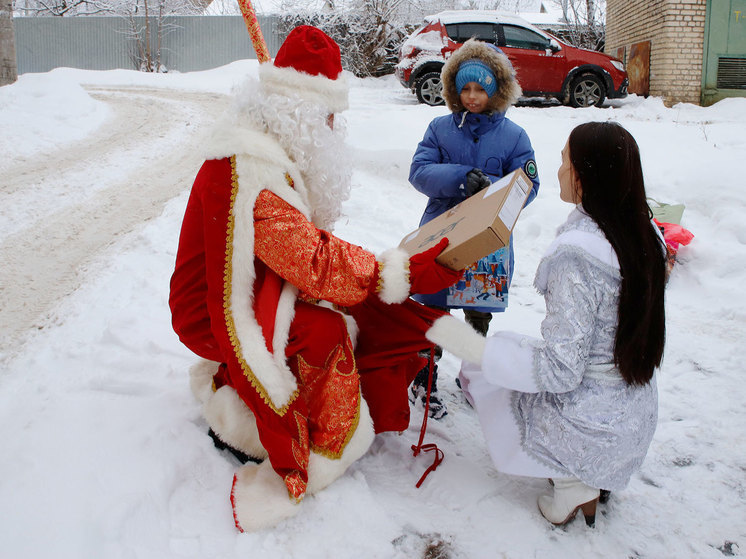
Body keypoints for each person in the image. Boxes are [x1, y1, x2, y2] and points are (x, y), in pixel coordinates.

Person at [168, 25, 461, 532]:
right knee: (325, 329)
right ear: (298, 112)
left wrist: (379, 274)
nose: (331, 128)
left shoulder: (268, 146)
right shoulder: (252, 163)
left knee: (346, 305)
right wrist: (397, 271)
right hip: (210, 311)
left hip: (256, 283)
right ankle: (318, 444)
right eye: (327, 117)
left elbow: (302, 251)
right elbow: (310, 260)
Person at [427, 121, 667, 527]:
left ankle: (572, 477)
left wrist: (477, 350)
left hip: (590, 428)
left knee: (485, 370)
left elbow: (560, 369)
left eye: (563, 160)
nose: (557, 170)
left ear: (585, 173)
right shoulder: (643, 234)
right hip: (633, 419)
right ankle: (592, 474)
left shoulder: (577, 255)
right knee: (509, 349)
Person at [408, 39, 540, 418]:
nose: (472, 96)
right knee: (434, 306)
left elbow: (528, 185)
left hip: (487, 240)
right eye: (464, 88)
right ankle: (424, 377)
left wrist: (495, 194)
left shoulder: (514, 136)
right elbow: (420, 172)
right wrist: (462, 179)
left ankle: (472, 379)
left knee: (479, 311)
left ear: (496, 89)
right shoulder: (439, 128)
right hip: (442, 231)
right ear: (453, 89)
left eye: (480, 88)